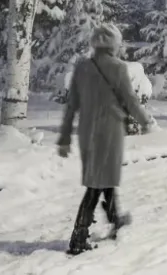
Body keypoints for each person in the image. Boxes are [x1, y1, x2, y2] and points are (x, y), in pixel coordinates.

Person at [58, 23, 154, 255]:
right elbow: (130, 100)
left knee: (104, 178)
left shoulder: (81, 67)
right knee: (96, 184)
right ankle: (79, 237)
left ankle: (115, 218)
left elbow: (71, 105)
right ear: (114, 44)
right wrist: (145, 120)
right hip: (109, 132)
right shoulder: (118, 67)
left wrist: (64, 138)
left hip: (86, 133)